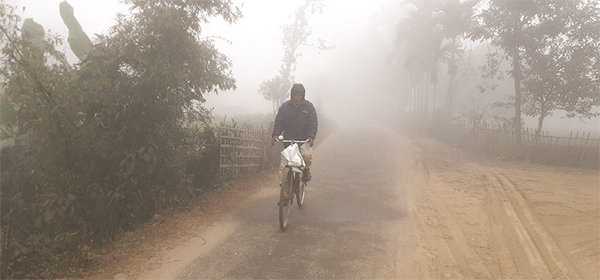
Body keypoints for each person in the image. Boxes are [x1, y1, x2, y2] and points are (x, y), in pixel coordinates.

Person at [272, 83, 318, 181]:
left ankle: (305, 171)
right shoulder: (285, 107)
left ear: (303, 96)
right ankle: (287, 185)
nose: (297, 98)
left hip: (304, 140)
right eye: (295, 96)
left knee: (306, 158)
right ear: (291, 95)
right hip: (289, 140)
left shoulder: (309, 107)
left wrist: (311, 136)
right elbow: (279, 121)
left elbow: (312, 123)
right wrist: (275, 134)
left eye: (299, 96)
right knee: (287, 162)